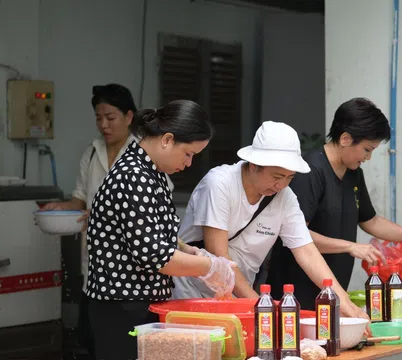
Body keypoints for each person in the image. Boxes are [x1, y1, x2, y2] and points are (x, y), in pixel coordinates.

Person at [266, 97, 402, 310]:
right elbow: (295, 235)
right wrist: (350, 247)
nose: (369, 157)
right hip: (295, 296)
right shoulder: (310, 171)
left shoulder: (353, 174)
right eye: (367, 149)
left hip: (331, 293)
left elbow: (371, 221)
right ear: (346, 139)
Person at [85, 100, 235, 360]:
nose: (189, 164)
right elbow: (155, 255)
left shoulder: (151, 173)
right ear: (167, 139)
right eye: (188, 154)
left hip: (141, 303)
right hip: (121, 306)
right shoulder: (134, 175)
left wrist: (190, 251)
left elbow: (156, 234)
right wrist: (210, 268)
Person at [172, 121, 366, 320]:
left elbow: (307, 251)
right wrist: (262, 308)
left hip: (237, 298)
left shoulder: (285, 197)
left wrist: (344, 301)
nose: (281, 185)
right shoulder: (220, 184)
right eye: (277, 176)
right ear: (254, 165)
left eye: (290, 178)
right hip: (191, 294)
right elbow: (220, 256)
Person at [41, 83, 152, 358]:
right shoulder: (91, 153)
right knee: (93, 338)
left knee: (126, 341)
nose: (103, 125)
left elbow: (152, 208)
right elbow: (81, 200)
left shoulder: (145, 154)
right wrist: (59, 208)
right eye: (98, 118)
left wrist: (104, 213)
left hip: (130, 270)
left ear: (129, 117)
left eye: (110, 117)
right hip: (94, 264)